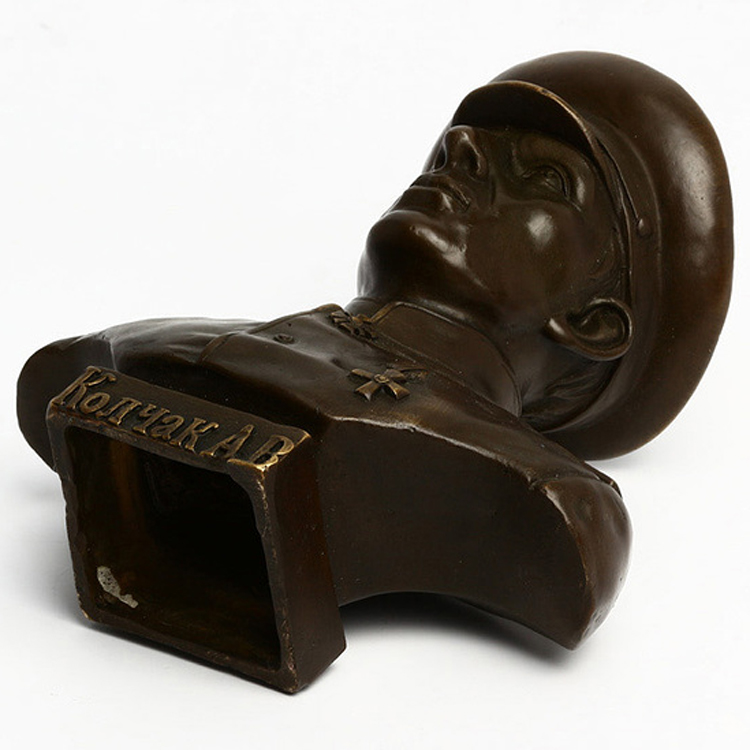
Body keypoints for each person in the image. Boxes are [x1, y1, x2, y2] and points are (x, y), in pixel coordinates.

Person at [17, 52, 732, 691]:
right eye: (460, 147)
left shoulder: (553, 494)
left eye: (544, 179)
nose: (460, 152)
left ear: (592, 322)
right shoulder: (143, 347)